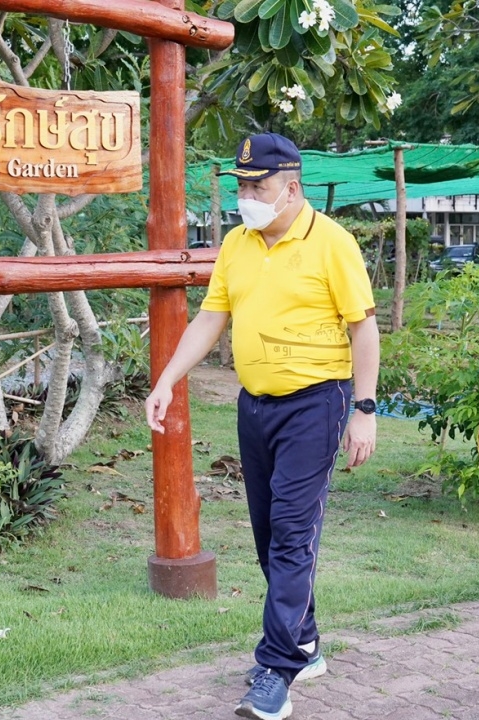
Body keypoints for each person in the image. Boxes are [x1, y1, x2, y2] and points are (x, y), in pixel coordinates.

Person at [144, 132, 379, 720]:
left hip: (316, 404)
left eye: (259, 185)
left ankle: (276, 669)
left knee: (293, 534)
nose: (247, 195)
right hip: (256, 406)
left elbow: (364, 330)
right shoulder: (237, 243)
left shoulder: (333, 244)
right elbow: (211, 318)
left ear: (291, 186)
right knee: (270, 536)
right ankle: (305, 642)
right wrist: (168, 379)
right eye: (242, 185)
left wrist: (365, 410)